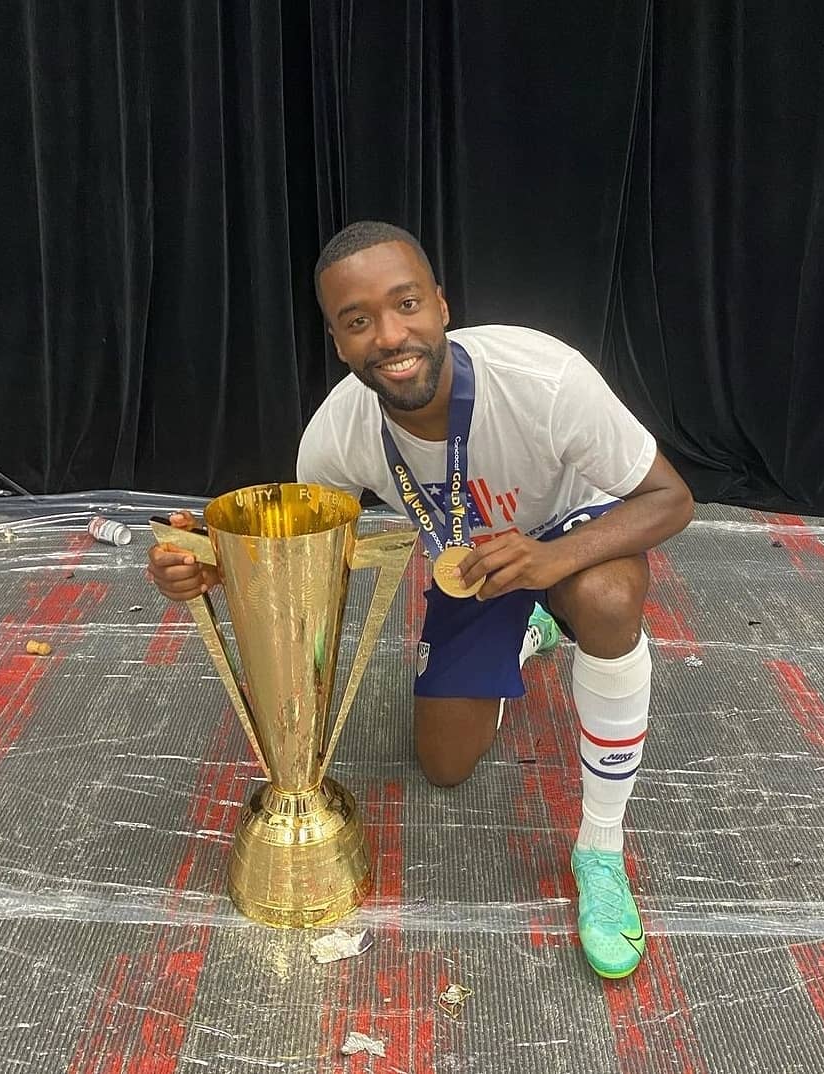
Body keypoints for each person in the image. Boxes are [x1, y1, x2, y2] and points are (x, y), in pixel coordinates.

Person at [148, 221, 694, 979]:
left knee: (602, 596)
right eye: (358, 320)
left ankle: (601, 853)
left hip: (573, 533)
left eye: (406, 304)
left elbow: (671, 499)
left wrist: (551, 560)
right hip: (470, 561)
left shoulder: (543, 377)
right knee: (442, 764)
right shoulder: (336, 437)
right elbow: (311, 577)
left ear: (441, 303)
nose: (390, 335)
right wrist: (219, 570)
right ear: (338, 342)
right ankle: (527, 632)